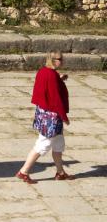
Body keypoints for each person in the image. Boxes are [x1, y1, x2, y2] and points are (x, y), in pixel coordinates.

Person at [16, 51, 73, 183]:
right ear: (53, 60)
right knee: (43, 144)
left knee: (58, 144)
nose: (62, 61)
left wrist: (59, 79)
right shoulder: (51, 75)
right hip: (51, 116)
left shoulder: (44, 71)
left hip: (44, 113)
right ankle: (23, 171)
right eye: (60, 59)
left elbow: (47, 87)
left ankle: (60, 172)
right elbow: (55, 98)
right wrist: (64, 117)